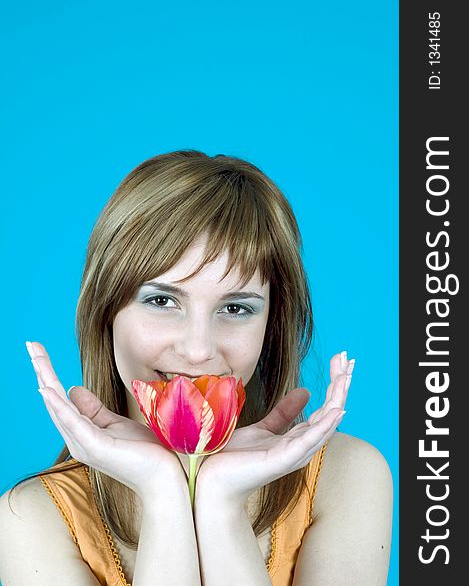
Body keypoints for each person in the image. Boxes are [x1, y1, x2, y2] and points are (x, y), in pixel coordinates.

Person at [0, 150, 393, 585]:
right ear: (105, 311)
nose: (197, 349)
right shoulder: (32, 519)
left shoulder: (347, 475)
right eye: (162, 301)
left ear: (271, 325)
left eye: (237, 307)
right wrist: (163, 492)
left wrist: (219, 500)